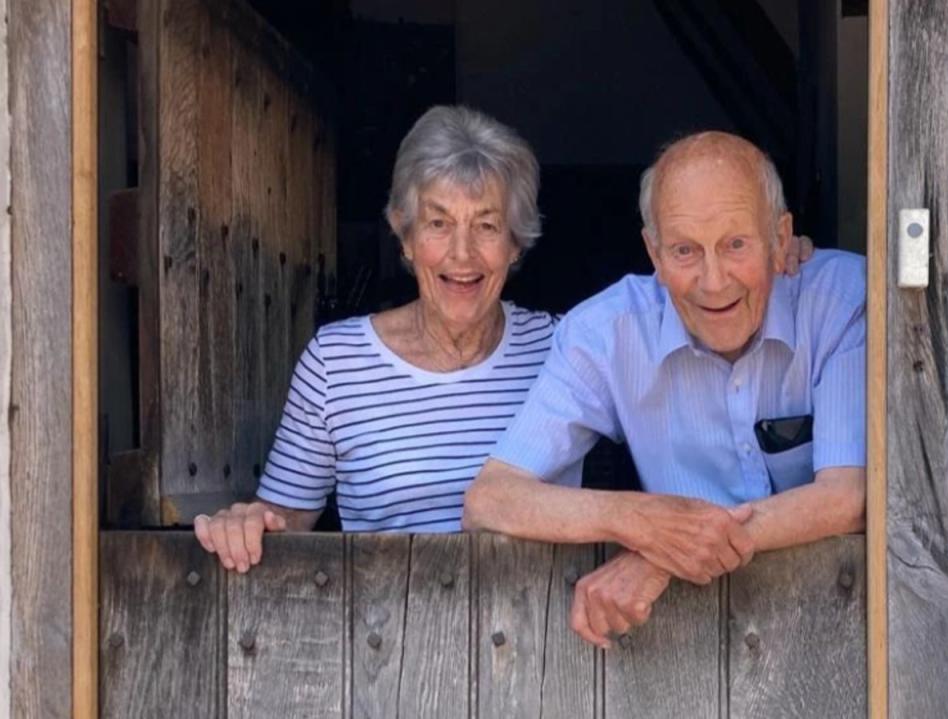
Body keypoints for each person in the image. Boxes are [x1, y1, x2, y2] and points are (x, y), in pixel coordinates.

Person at [194, 110, 813, 574]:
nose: (462, 254)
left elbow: (697, 381)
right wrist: (247, 523)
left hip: (541, 649)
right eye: (438, 224)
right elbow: (286, 522)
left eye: (487, 226)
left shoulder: (564, 346)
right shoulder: (336, 362)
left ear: (516, 244)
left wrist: (781, 264)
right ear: (404, 237)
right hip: (384, 645)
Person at [462, 131, 865, 648]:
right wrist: (643, 522)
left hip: (841, 631)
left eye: (736, 244)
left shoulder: (844, 299)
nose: (713, 280)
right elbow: (491, 500)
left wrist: (665, 556)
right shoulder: (605, 332)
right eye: (684, 251)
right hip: (680, 648)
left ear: (781, 239)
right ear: (653, 251)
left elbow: (849, 497)